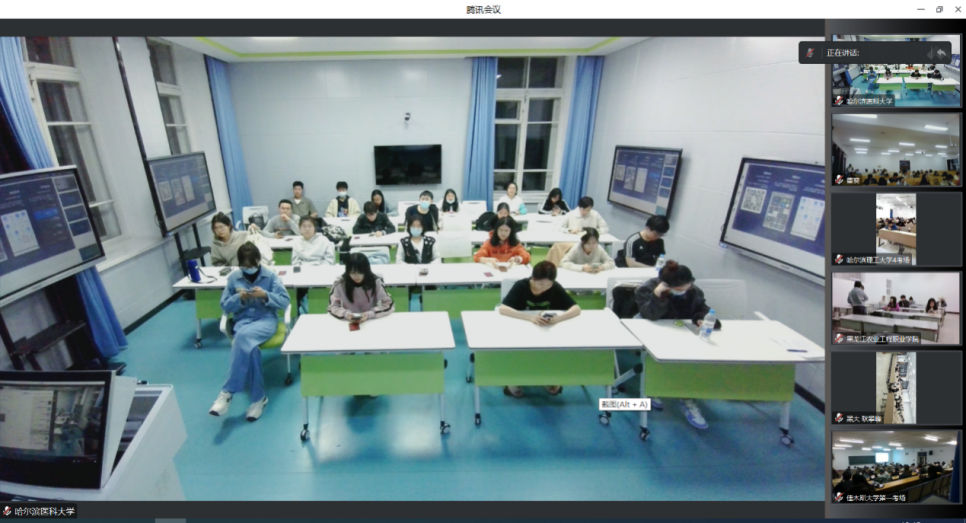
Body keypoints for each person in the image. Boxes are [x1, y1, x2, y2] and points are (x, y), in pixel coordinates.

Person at [633, 260, 720, 429]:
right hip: (652, 332)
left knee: (693, 358)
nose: (684, 291)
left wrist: (700, 319)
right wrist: (657, 296)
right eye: (679, 289)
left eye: (687, 286)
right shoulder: (646, 289)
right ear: (667, 285)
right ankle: (654, 387)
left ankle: (686, 396)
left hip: (681, 333)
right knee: (661, 358)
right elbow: (650, 315)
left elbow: (702, 309)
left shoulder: (694, 291)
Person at [209, 243, 290, 421]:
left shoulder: (270, 276)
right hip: (243, 321)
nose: (248, 269)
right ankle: (258, 399)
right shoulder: (233, 278)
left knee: (241, 337)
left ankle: (227, 392)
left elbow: (285, 301)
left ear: (258, 261)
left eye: (251, 265)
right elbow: (224, 305)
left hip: (265, 321)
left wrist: (265, 295)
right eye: (244, 266)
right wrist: (239, 297)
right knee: (251, 348)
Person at [499, 261, 581, 397]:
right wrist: (529, 317)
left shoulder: (554, 287)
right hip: (520, 329)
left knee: (551, 350)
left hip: (545, 330)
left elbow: (576, 308)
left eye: (549, 284)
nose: (545, 288)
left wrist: (558, 319)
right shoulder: (521, 286)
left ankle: (547, 377)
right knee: (522, 351)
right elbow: (503, 308)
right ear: (533, 278)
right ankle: (513, 379)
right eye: (541, 284)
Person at [327, 253, 395, 322]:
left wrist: (370, 314)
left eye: (360, 272)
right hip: (348, 321)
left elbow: (388, 304)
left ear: (366, 270)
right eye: (352, 273)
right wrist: (345, 314)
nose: (356, 276)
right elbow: (332, 307)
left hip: (370, 320)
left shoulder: (375, 281)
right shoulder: (340, 283)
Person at [292, 216, 335, 310]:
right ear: (300, 228)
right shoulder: (297, 242)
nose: (307, 229)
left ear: (314, 227)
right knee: (295, 290)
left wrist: (319, 270)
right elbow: (295, 262)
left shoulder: (324, 240)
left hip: (320, 271)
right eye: (304, 226)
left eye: (310, 226)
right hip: (303, 273)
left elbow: (329, 260)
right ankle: (299, 309)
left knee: (318, 291)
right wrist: (302, 271)